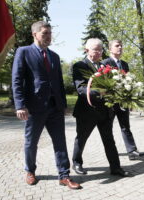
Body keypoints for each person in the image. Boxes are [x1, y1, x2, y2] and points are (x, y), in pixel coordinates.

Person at [11, 21, 80, 189]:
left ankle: (64, 175)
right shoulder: (24, 52)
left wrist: (63, 104)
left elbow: (59, 83)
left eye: (50, 33)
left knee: (60, 141)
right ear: (35, 34)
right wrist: (20, 105)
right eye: (45, 34)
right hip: (34, 107)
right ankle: (30, 171)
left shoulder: (54, 56)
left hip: (54, 107)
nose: (49, 37)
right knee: (31, 142)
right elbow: (17, 80)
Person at [72, 38, 130, 177]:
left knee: (109, 140)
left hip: (105, 112)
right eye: (96, 50)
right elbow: (81, 89)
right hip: (87, 111)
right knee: (81, 138)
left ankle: (115, 168)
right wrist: (100, 92)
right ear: (87, 50)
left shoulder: (104, 67)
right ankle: (77, 162)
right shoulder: (80, 65)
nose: (99, 52)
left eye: (101, 49)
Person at [102, 39, 144, 160]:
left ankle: (132, 151)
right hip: (111, 102)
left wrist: (130, 99)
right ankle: (111, 152)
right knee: (107, 128)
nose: (120, 48)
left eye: (121, 46)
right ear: (110, 49)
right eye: (117, 46)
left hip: (123, 102)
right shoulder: (105, 63)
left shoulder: (125, 64)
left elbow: (129, 82)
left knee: (125, 126)